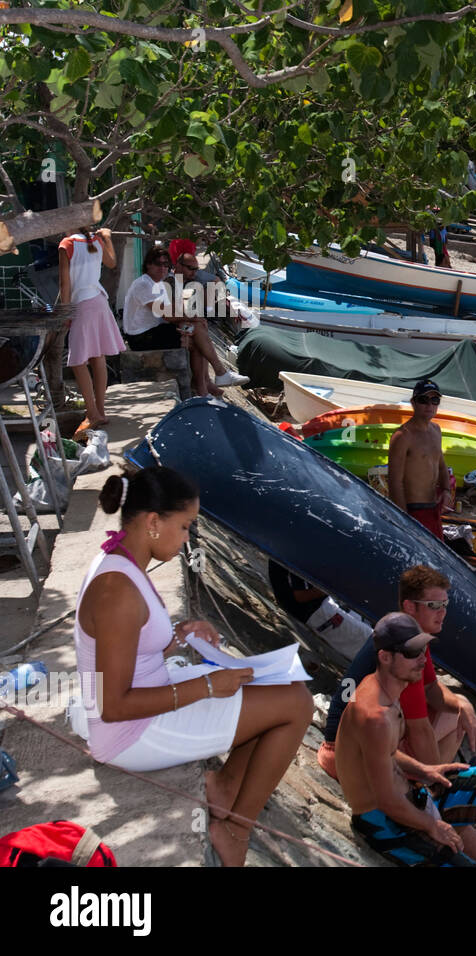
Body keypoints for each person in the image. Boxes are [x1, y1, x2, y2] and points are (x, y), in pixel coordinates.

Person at [75, 467, 313, 866]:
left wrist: (178, 634)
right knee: (297, 705)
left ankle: (223, 789)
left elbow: (133, 645)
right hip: (129, 733)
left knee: (262, 683)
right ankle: (235, 831)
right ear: (154, 522)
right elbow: (113, 706)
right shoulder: (117, 590)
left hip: (148, 700)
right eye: (185, 527)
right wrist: (205, 687)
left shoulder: (122, 559)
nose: (187, 539)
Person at [334, 612, 476, 866]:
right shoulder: (375, 716)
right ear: (385, 657)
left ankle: (451, 836)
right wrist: (431, 825)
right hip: (385, 822)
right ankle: (444, 838)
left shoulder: (389, 688)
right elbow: (387, 801)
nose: (422, 659)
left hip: (411, 796)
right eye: (412, 653)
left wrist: (426, 770)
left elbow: (385, 752)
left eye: (423, 650)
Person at [317, 565, 476, 781]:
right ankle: (435, 786)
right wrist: (436, 779)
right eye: (434, 605)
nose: (443, 612)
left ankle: (431, 780)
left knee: (456, 712)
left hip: (346, 741)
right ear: (410, 606)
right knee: (433, 724)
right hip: (347, 755)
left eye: (445, 604)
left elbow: (430, 686)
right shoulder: (405, 648)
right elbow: (419, 729)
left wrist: (462, 703)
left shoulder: (402, 630)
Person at [122, 248, 247, 398]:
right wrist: (194, 319)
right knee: (195, 336)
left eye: (165, 264)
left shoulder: (160, 284)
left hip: (156, 329)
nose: (162, 268)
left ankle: (205, 386)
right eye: (158, 264)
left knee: (196, 330)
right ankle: (213, 379)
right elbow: (167, 314)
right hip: (141, 337)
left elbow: (174, 311)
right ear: (148, 265)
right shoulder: (143, 285)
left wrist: (191, 321)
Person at [57, 227, 125, 433]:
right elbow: (112, 263)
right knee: (98, 357)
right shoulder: (95, 241)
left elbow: (64, 282)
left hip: (83, 304)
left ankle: (92, 413)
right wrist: (107, 238)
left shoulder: (66, 245)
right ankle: (100, 411)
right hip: (99, 300)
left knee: (78, 361)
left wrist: (65, 312)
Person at [389, 379, 453, 540]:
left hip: (433, 509)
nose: (429, 405)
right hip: (413, 510)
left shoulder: (436, 430)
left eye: (434, 400)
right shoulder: (403, 436)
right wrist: (404, 519)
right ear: (413, 402)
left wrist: (446, 490)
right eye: (423, 400)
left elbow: (440, 464)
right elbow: (394, 482)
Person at [268, 560, 372, 658]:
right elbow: (301, 596)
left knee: (364, 627)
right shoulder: (300, 551)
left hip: (317, 605)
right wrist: (333, 586)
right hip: (314, 610)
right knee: (369, 640)